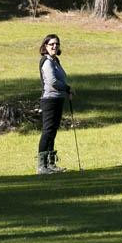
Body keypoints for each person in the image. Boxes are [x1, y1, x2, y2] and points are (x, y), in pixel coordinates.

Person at [37, 34, 71, 174]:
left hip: (58, 99)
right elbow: (52, 82)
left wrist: (66, 90)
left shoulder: (55, 60)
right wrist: (67, 88)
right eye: (51, 44)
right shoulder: (47, 61)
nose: (54, 46)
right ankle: (41, 166)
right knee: (47, 132)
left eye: (57, 44)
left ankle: (51, 164)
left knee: (53, 132)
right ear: (45, 46)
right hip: (49, 100)